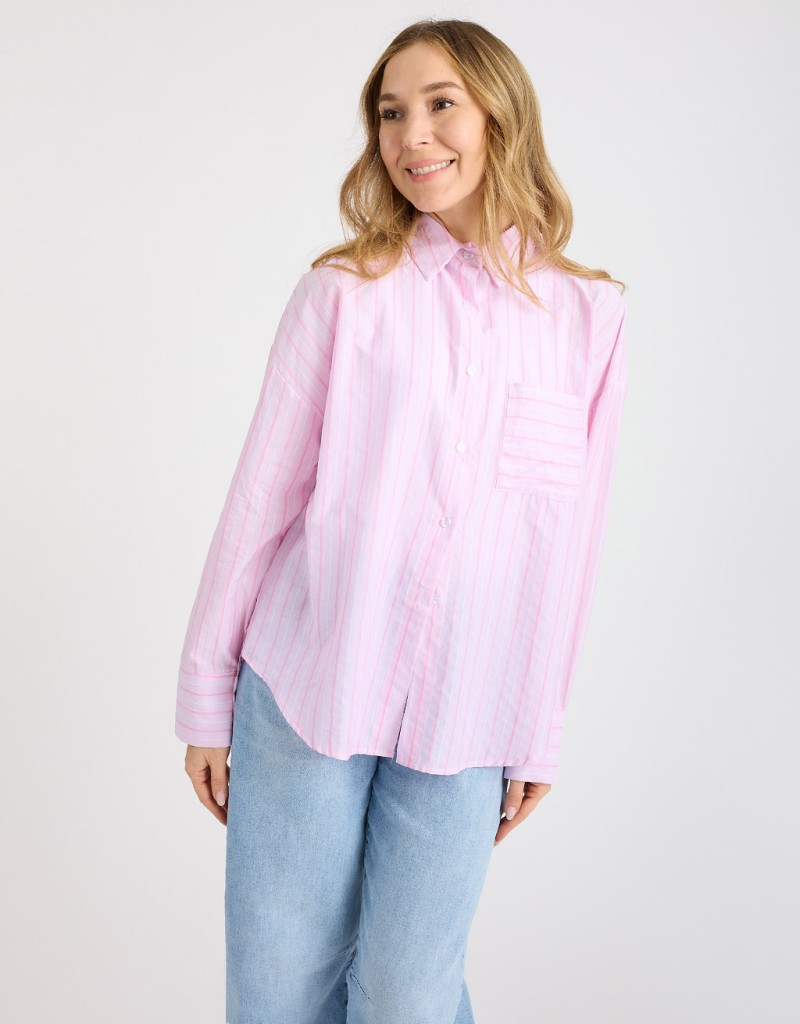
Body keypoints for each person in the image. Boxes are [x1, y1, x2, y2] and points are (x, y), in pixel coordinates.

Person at [174, 17, 628, 1024]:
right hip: (308, 685)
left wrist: (540, 728)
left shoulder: (587, 319)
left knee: (406, 993)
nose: (410, 135)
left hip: (474, 705)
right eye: (389, 113)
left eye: (439, 104)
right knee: (280, 982)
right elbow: (259, 500)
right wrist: (206, 695)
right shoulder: (343, 295)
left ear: (501, 115)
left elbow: (570, 549)